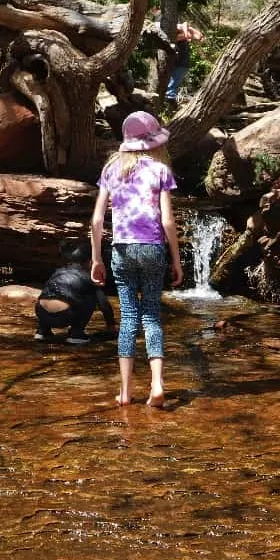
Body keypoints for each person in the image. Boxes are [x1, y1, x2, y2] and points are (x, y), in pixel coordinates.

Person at [90, 111, 182, 408]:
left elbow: (95, 221)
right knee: (151, 314)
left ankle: (126, 392)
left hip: (122, 250)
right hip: (153, 248)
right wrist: (176, 260)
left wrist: (96, 259)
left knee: (128, 317)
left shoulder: (110, 170)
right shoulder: (159, 170)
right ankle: (156, 385)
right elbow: (168, 221)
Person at [35, 240, 116, 344]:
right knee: (91, 297)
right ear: (90, 262)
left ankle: (42, 332)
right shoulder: (88, 278)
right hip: (64, 316)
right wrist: (111, 325)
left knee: (51, 294)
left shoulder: (58, 272)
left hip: (41, 312)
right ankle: (76, 334)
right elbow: (104, 305)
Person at [165, 20, 204, 102]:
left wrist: (188, 29)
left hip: (181, 64)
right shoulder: (177, 36)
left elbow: (199, 36)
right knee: (171, 84)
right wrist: (186, 31)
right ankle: (169, 98)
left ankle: (169, 99)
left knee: (171, 86)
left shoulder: (181, 36)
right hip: (179, 64)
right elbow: (185, 25)